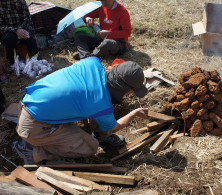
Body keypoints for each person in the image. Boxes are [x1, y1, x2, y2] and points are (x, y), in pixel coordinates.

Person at [13, 57, 148, 164]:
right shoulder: (100, 103)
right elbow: (115, 126)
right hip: (33, 127)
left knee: (95, 110)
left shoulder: (93, 62)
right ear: (128, 90)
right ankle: (31, 150)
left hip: (30, 100)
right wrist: (134, 113)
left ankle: (102, 135)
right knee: (90, 147)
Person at [0, 0, 39, 82]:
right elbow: (1, 26)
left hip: (22, 27)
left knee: (28, 36)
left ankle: (35, 57)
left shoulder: (20, 2)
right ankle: (12, 63)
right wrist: (15, 30)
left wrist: (21, 30)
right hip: (7, 31)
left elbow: (27, 19)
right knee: (10, 39)